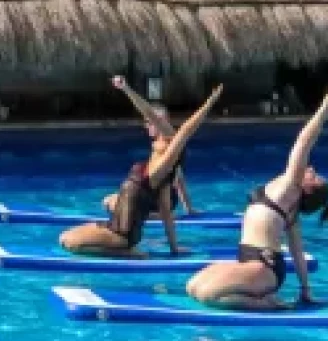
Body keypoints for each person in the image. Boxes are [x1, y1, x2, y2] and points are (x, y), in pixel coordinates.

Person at [186, 83, 328, 310]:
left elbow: (304, 142)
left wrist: (325, 108)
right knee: (192, 287)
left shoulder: (291, 186)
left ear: (308, 189)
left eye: (314, 175)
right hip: (247, 262)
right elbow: (298, 253)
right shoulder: (288, 206)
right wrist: (306, 291)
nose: (310, 169)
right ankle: (259, 295)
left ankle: (271, 303)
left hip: (265, 267)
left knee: (208, 296)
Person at [58, 80, 225, 258]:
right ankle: (121, 246)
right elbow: (167, 216)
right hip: (113, 226)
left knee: (68, 242)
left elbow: (187, 128)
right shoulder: (160, 179)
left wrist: (209, 102)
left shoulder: (164, 165)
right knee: (64, 237)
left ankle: (128, 252)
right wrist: (127, 89)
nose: (159, 135)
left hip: (122, 235)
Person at [95, 76, 201, 217]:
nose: (148, 125)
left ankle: (156, 214)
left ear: (165, 121)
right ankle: (153, 213)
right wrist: (189, 209)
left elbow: (146, 110)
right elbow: (179, 176)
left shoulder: (170, 136)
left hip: (162, 198)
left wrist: (126, 88)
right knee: (108, 201)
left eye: (152, 121)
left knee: (119, 205)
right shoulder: (160, 144)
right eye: (147, 122)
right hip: (152, 196)